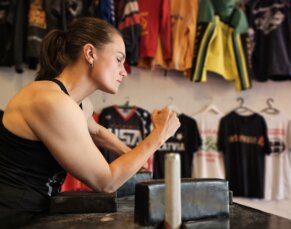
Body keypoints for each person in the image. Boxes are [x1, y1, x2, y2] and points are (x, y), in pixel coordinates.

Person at [0, 17, 180, 228]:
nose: (124, 70)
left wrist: (129, 153)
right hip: (12, 215)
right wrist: (158, 136)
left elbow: (95, 131)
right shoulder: (51, 101)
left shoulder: (78, 102)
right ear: (90, 53)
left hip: (39, 211)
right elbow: (106, 182)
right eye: (119, 59)